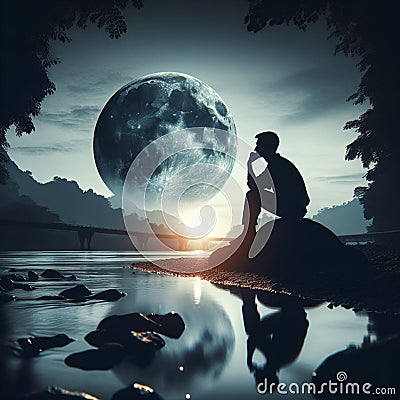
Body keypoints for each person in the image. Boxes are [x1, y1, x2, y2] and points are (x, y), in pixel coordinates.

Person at [244, 131, 310, 234]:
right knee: (253, 194)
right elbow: (253, 185)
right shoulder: (274, 165)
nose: (255, 149)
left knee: (252, 196)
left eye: (258, 145)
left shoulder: (278, 166)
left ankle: (249, 231)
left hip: (293, 207)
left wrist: (250, 165)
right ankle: (249, 229)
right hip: (289, 204)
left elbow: (254, 187)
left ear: (267, 147)